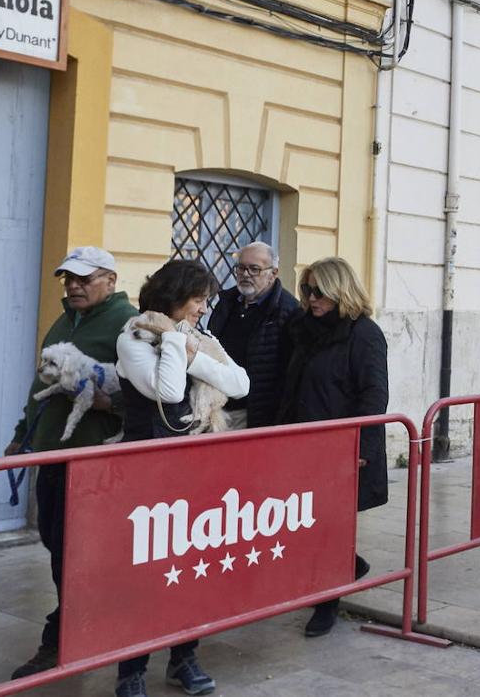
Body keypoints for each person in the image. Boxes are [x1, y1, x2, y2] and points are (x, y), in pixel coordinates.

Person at [114, 260, 249, 697]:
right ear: (175, 298)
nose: (204, 309)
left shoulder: (199, 338)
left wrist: (193, 352)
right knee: (144, 573)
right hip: (145, 474)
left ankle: (184, 658)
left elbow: (240, 382)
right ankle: (130, 669)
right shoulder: (133, 339)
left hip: (193, 472)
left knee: (190, 569)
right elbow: (169, 392)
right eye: (198, 300)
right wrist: (175, 342)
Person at [9, 247, 138, 680]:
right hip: (54, 454)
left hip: (98, 462)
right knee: (57, 544)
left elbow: (151, 391)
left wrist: (110, 403)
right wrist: (21, 433)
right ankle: (77, 628)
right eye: (69, 279)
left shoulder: (129, 324)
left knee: (83, 553)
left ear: (111, 280)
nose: (74, 286)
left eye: (84, 278)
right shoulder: (64, 321)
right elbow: (39, 383)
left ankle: (66, 637)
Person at [278, 257, 387, 637]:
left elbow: (374, 395)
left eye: (318, 291)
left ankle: (328, 602)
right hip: (299, 440)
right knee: (301, 522)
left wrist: (361, 447)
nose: (310, 298)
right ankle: (348, 567)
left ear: (340, 290)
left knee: (329, 528)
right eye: (306, 290)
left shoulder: (364, 334)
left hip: (340, 447)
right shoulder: (302, 329)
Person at [207, 242, 299, 429]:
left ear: (273, 274)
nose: (246, 274)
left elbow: (290, 373)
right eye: (241, 268)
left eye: (254, 269)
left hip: (256, 414)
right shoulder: (226, 302)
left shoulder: (288, 311)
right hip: (217, 408)